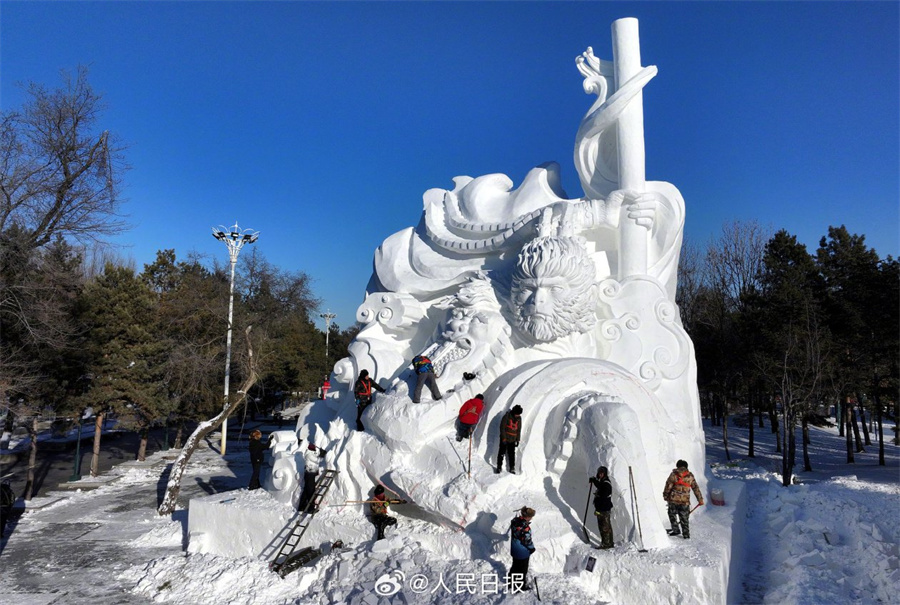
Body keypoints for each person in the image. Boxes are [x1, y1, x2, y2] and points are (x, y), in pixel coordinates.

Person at [663, 459, 704, 539]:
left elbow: (668, 486)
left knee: (672, 515)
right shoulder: (690, 476)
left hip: (673, 500)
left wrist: (665, 495)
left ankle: (676, 530)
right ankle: (686, 535)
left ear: (677, 466)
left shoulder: (674, 475)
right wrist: (700, 499)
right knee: (684, 518)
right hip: (685, 501)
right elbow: (695, 488)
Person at [508, 506, 536, 592]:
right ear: (527, 517)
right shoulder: (525, 528)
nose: (531, 518)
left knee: (515, 567)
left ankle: (510, 582)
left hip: (514, 550)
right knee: (522, 570)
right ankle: (521, 587)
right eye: (531, 516)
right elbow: (527, 541)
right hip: (522, 552)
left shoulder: (515, 521)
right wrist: (532, 548)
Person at [297, 442, 327, 513]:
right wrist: (322, 455)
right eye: (314, 447)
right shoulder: (309, 454)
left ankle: (301, 507)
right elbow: (317, 460)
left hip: (311, 474)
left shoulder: (312, 453)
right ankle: (311, 508)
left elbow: (316, 456)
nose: (315, 448)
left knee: (306, 491)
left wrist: (320, 453)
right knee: (311, 491)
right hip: (309, 474)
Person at [589, 466, 614, 549]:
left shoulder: (606, 483)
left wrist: (598, 509)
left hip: (603, 509)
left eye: (602, 473)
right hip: (602, 508)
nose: (600, 474)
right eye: (599, 473)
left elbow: (603, 494)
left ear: (605, 473)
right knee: (606, 526)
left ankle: (606, 544)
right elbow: (600, 486)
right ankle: (609, 543)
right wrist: (594, 480)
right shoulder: (603, 482)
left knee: (604, 527)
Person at [496, 405, 523, 474]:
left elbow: (519, 429)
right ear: (514, 412)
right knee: (501, 453)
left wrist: (517, 439)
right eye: (517, 414)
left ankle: (512, 468)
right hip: (505, 438)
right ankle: (499, 466)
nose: (518, 415)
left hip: (513, 439)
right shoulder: (507, 416)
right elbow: (502, 427)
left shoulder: (519, 419)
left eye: (519, 414)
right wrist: (504, 438)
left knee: (511, 454)